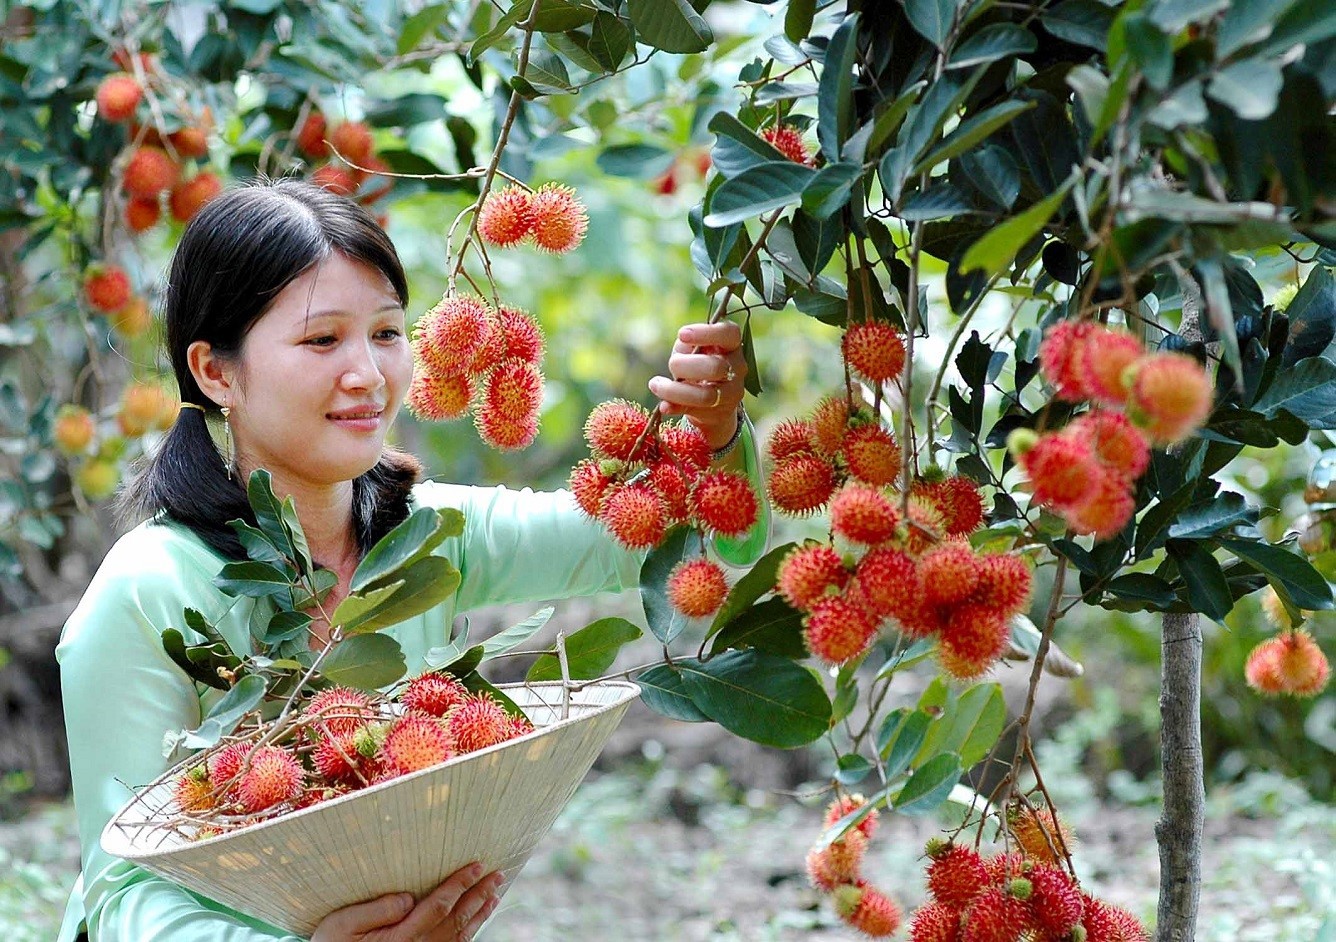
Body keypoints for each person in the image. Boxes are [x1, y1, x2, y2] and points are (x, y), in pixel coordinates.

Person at [55, 177, 764, 941]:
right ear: (216, 371)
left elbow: (667, 542)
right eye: (322, 339)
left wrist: (714, 435)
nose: (368, 373)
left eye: (388, 333)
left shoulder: (429, 534)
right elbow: (126, 895)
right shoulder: (144, 594)